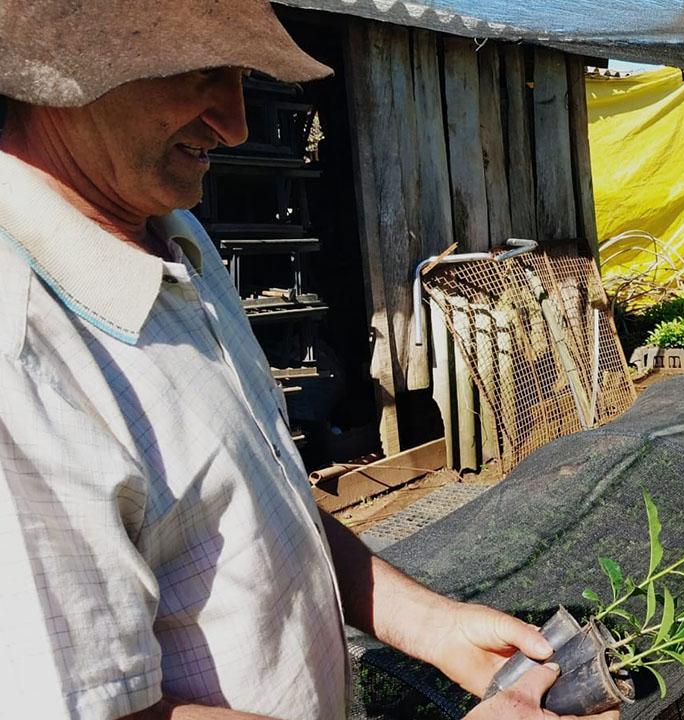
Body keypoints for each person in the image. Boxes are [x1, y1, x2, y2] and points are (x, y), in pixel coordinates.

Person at [0, 2, 617, 719]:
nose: (234, 123)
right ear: (61, 73)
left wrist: (427, 623)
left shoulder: (177, 238)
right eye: (199, 73)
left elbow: (254, 508)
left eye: (238, 75)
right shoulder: (22, 353)